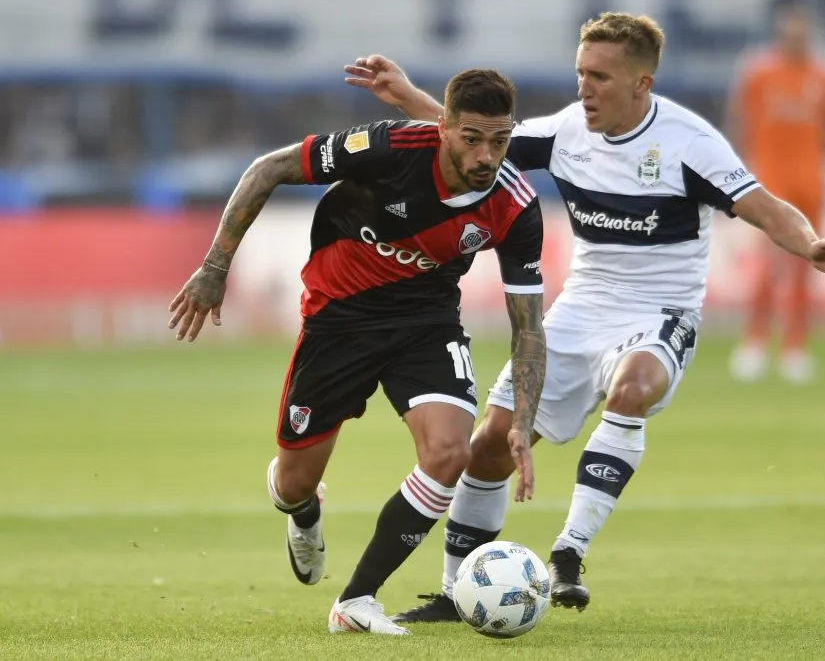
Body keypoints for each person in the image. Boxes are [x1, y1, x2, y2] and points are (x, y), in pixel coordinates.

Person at [343, 11, 825, 620]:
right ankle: (459, 594)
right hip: (583, 307)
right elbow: (470, 139)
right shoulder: (568, 132)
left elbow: (767, 207)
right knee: (487, 445)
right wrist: (406, 94)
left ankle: (569, 548)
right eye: (580, 74)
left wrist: (811, 244)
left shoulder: (688, 143)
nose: (585, 89)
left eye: (600, 77)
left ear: (642, 84)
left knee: (633, 388)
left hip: (660, 308)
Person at [167, 69, 547, 635]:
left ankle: (356, 600)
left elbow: (529, 327)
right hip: (338, 321)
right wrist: (215, 267)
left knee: (448, 454)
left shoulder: (514, 205)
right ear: (442, 128)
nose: (487, 154)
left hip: (426, 322)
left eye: (499, 139)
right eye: (472, 138)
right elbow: (267, 168)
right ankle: (303, 511)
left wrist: (523, 415)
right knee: (294, 483)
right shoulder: (390, 147)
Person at [726, 0, 825, 383]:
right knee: (768, 267)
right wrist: (732, 171)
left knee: (810, 264)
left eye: (803, 29)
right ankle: (754, 343)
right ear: (781, 32)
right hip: (770, 186)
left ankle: (794, 347)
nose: (797, 36)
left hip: (812, 184)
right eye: (791, 29)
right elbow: (740, 119)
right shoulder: (758, 73)